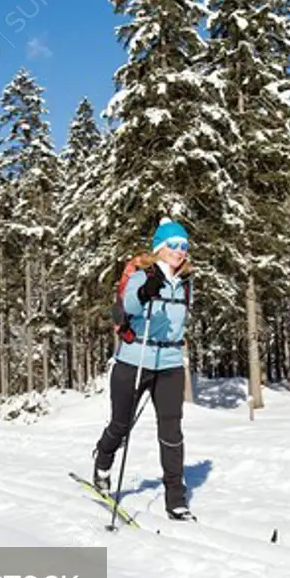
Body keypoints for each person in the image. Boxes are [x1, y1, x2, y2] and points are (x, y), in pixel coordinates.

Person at [92, 218, 195, 520]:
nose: (180, 250)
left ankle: (176, 497)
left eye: (184, 245)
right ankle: (103, 461)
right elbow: (129, 307)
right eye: (174, 245)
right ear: (160, 248)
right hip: (133, 361)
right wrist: (144, 293)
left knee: (171, 431)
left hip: (171, 364)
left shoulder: (186, 282)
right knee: (120, 425)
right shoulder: (142, 275)